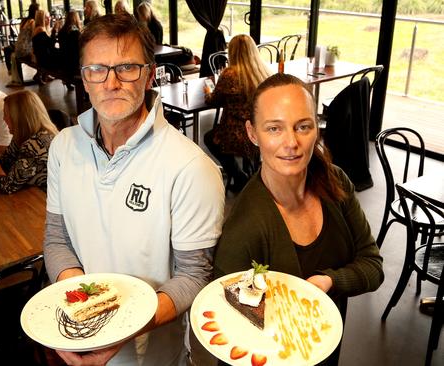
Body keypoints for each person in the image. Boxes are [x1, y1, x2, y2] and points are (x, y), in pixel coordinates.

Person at [43, 13, 225, 365]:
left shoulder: (191, 167)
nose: (111, 83)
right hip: (80, 340)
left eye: (126, 67)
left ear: (149, 73)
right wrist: (81, 303)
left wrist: (121, 330)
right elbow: (57, 238)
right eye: (97, 69)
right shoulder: (63, 147)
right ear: (83, 79)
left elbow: (193, 274)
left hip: (153, 354)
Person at [213, 73, 384, 365]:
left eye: (302, 126)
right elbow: (232, 324)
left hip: (325, 348)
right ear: (253, 134)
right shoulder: (244, 227)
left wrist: (330, 281)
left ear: (316, 127)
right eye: (274, 129)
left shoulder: (336, 183)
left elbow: (373, 266)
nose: (291, 142)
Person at [203, 34, 270, 192]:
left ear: (232, 52)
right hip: (259, 131)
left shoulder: (230, 74)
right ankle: (251, 175)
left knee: (210, 139)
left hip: (236, 133)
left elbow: (214, 101)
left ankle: (239, 176)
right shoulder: (262, 72)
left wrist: (207, 91)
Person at [0, 90, 58, 193]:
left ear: (18, 118)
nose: (3, 118)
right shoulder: (22, 136)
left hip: (51, 204)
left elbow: (8, 186)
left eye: (6, 115)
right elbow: (5, 157)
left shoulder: (36, 145)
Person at [32, 9, 61, 83]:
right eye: (46, 17)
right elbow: (51, 45)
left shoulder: (40, 28)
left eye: (49, 17)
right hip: (44, 61)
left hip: (41, 58)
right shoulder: (40, 30)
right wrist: (54, 30)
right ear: (41, 19)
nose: (49, 18)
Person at [58, 10, 82, 86]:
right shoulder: (76, 32)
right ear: (76, 19)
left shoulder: (61, 31)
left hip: (63, 62)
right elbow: (78, 49)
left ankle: (67, 82)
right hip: (73, 64)